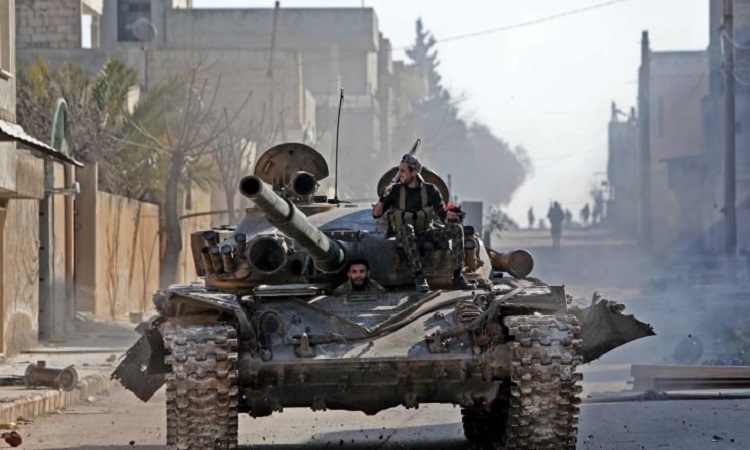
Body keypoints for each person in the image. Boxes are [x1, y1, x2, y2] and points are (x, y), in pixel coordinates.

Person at [373, 153, 474, 292]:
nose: (399, 174)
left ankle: (457, 275)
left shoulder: (431, 190)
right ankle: (419, 275)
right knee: (407, 229)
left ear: (414, 172)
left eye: (403, 171)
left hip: (425, 233)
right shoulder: (395, 191)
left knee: (457, 229)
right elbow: (376, 214)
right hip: (403, 236)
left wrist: (451, 217)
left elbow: (443, 216)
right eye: (399, 170)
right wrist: (382, 199)